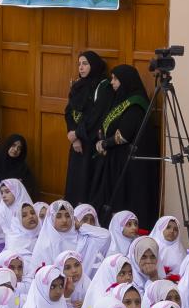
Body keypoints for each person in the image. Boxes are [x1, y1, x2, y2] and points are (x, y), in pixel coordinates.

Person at [97, 64, 160, 227]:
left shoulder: (136, 104)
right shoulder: (122, 99)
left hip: (132, 164)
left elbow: (124, 135)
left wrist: (104, 143)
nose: (112, 82)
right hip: (119, 158)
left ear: (126, 81)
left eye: (115, 79)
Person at [63, 50, 109, 211]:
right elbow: (69, 111)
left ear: (93, 65)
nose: (81, 68)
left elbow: (97, 115)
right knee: (75, 181)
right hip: (76, 141)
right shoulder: (78, 85)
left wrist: (78, 133)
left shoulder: (103, 86)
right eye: (79, 64)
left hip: (91, 141)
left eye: (85, 64)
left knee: (87, 181)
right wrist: (74, 136)